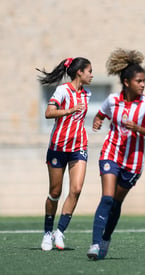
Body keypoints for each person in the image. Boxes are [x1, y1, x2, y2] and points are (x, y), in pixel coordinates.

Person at [87, 49, 145, 260]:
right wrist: (98, 120)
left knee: (116, 203)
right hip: (111, 152)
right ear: (127, 82)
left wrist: (138, 128)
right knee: (108, 198)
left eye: (144, 81)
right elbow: (101, 113)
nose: (143, 84)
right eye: (139, 81)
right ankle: (94, 244)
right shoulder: (112, 100)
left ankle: (106, 237)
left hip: (134, 162)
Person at [37, 57, 93, 251]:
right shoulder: (63, 91)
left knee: (76, 189)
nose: (91, 75)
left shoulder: (87, 94)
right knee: (55, 192)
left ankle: (59, 232)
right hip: (58, 147)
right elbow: (48, 112)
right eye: (89, 71)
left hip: (79, 147)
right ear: (79, 72)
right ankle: (47, 233)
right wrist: (69, 110)